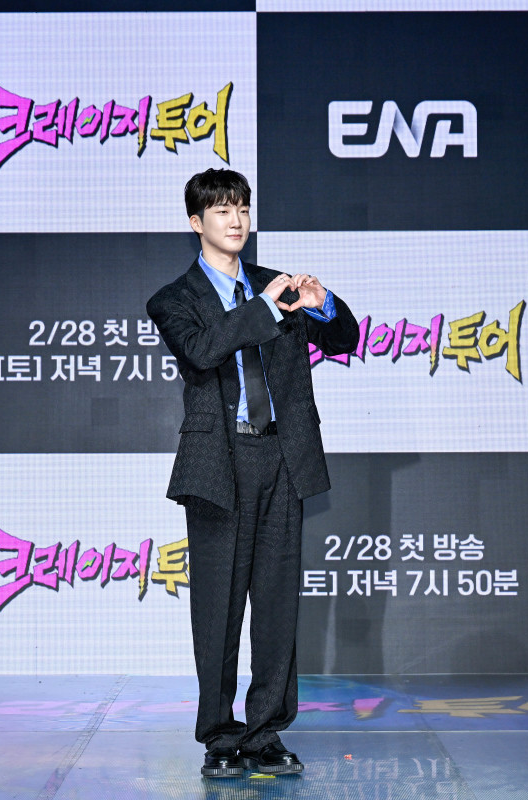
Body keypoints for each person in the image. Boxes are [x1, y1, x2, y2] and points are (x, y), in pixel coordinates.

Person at [146, 168, 359, 778]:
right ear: (197, 223)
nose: (236, 220)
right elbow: (203, 350)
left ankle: (266, 731)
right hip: (220, 462)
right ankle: (219, 734)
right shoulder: (175, 299)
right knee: (217, 607)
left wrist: (323, 306)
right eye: (221, 211)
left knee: (276, 605)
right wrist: (266, 307)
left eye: (241, 207)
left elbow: (345, 340)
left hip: (282, 457)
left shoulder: (278, 285)